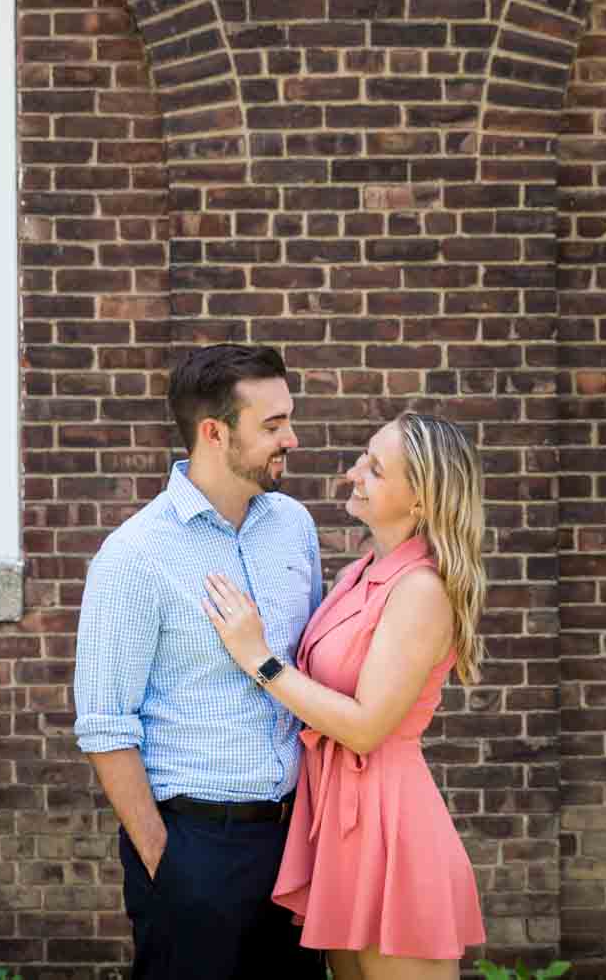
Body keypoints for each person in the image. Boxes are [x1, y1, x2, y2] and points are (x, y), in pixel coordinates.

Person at [200, 411, 488, 980]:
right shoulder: (361, 572)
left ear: (422, 503)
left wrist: (257, 657)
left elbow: (363, 727)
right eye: (364, 456)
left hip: (391, 825)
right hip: (339, 818)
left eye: (376, 470)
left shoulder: (420, 590)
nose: (354, 473)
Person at [73, 343, 326, 980]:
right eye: (272, 425)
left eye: (288, 418)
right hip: (196, 847)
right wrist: (164, 858)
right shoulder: (134, 556)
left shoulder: (294, 526)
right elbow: (105, 726)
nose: (290, 438)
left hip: (295, 842)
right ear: (214, 432)